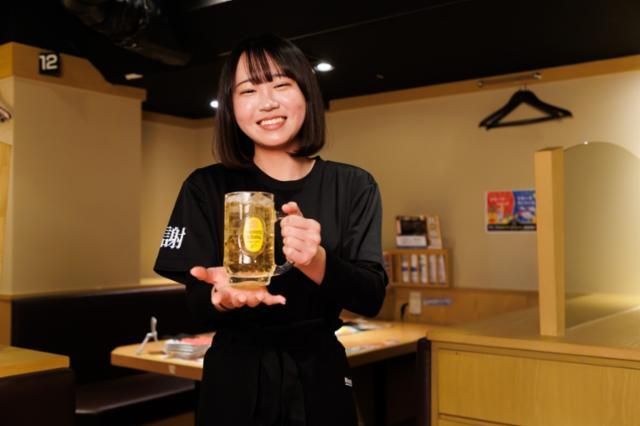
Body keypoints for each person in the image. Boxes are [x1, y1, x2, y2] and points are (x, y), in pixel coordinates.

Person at [154, 33, 387, 426]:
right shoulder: (204, 186)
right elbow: (195, 301)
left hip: (320, 375)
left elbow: (371, 296)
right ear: (231, 107)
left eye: (281, 85)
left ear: (306, 94)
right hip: (234, 379)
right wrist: (220, 298)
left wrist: (316, 260)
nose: (267, 102)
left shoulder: (353, 185)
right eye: (248, 90)